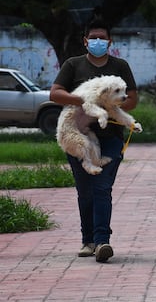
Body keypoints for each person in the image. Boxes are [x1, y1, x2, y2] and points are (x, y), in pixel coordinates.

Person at [50, 17, 138, 263]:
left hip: (110, 137)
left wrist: (112, 105)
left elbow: (131, 99)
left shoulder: (120, 66)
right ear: (86, 41)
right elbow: (55, 93)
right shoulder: (73, 65)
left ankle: (102, 241)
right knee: (85, 189)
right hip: (77, 133)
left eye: (103, 38)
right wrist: (85, 102)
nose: (98, 42)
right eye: (94, 38)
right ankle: (87, 240)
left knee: (102, 188)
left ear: (110, 41)